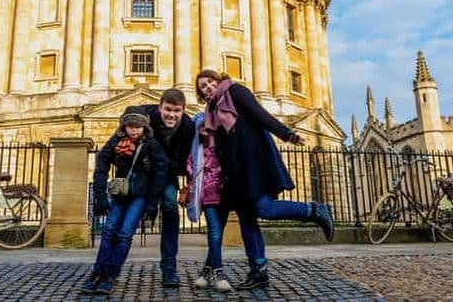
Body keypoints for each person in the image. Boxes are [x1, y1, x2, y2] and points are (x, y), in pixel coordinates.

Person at [195, 69, 334, 290]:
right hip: (235, 171)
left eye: (210, 82)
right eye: (203, 86)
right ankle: (258, 271)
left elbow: (260, 115)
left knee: (263, 208)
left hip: (254, 162)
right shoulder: (210, 111)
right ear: (201, 94)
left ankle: (314, 211)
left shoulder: (235, 91)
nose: (208, 87)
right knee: (247, 219)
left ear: (218, 80)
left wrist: (287, 134)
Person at [82, 106, 169, 295]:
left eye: (139, 126)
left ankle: (110, 275)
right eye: (131, 125)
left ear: (145, 127)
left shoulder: (151, 144)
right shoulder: (116, 141)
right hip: (121, 194)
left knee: (124, 234)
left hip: (140, 195)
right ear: (124, 126)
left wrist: (153, 202)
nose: (135, 129)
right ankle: (98, 272)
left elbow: (161, 171)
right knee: (108, 232)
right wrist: (100, 196)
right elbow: (101, 164)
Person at [137, 88, 195, 287]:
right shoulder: (146, 116)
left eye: (177, 110)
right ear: (159, 107)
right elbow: (127, 119)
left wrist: (188, 184)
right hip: (144, 173)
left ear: (183, 111)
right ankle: (107, 269)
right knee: (126, 216)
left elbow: (189, 158)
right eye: (167, 109)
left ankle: (169, 268)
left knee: (170, 207)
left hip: (168, 174)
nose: (172, 114)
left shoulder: (188, 127)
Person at [182, 112, 231, 292]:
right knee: (215, 232)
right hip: (208, 196)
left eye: (209, 127)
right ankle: (219, 272)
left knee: (217, 234)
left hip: (226, 195)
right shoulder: (197, 150)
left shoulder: (224, 146)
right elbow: (189, 169)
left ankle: (206, 271)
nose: (206, 130)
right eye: (202, 127)